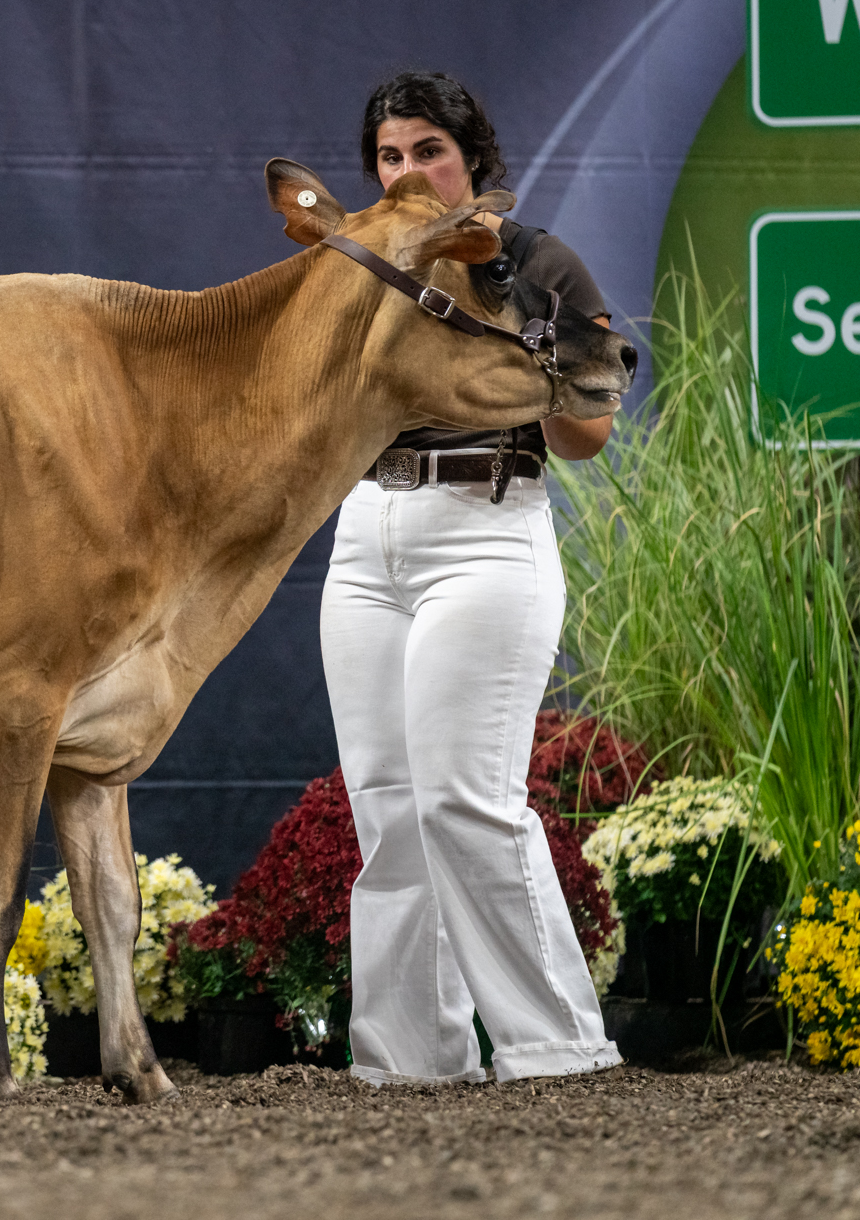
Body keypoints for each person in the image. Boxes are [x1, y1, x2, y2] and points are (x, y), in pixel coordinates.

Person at [319, 70, 622, 1085]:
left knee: (465, 798)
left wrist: (504, 304)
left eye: (428, 151)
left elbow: (585, 435)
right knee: (387, 810)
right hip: (366, 531)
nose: (407, 171)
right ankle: (407, 1060)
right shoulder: (360, 266)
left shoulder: (539, 261)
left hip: (487, 527)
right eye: (389, 155)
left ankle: (557, 1047)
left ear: (471, 159)